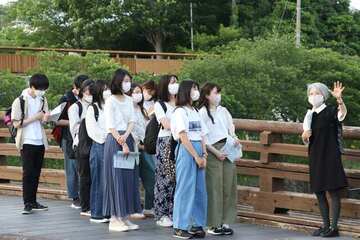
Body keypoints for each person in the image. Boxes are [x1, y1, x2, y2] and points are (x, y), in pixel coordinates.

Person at [302, 82, 348, 238]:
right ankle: (325, 225)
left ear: (323, 95)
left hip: (330, 156)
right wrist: (304, 136)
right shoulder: (309, 115)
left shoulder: (330, 111)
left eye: (317, 93)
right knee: (319, 192)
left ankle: (334, 228)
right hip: (315, 156)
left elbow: (342, 114)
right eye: (311, 94)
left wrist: (339, 100)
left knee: (333, 191)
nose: (313, 96)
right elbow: (307, 137)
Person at [103, 69, 142, 232]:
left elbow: (132, 120)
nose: (128, 83)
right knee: (115, 178)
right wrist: (122, 140)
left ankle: (125, 216)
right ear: (118, 81)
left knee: (128, 178)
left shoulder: (128, 99)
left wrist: (126, 137)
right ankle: (114, 218)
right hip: (114, 140)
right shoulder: (110, 100)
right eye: (125, 80)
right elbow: (110, 125)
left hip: (127, 137)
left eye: (129, 80)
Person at [199, 82, 238, 236]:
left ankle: (225, 220)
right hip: (213, 149)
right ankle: (213, 223)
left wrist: (234, 138)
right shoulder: (202, 112)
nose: (218, 95)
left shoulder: (223, 111)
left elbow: (231, 128)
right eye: (215, 93)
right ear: (207, 95)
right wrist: (215, 152)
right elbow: (204, 136)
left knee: (228, 185)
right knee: (214, 187)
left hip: (227, 148)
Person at [171, 80, 208, 239]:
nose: (196, 91)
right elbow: (183, 136)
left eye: (197, 88)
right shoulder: (179, 111)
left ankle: (196, 223)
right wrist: (196, 156)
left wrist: (204, 154)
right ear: (186, 91)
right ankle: (180, 226)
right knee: (185, 188)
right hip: (187, 151)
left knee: (200, 190)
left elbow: (202, 134)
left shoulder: (196, 111)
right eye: (193, 88)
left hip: (199, 150)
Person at [11, 74, 50, 214]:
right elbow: (16, 123)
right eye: (40, 89)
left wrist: (45, 118)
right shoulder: (20, 100)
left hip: (39, 140)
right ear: (32, 87)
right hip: (26, 141)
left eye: (44, 89)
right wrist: (36, 117)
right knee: (28, 173)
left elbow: (44, 117)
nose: (42, 91)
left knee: (36, 173)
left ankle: (33, 201)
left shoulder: (43, 99)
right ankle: (27, 203)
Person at [55, 74, 88, 209]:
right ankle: (75, 197)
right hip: (69, 138)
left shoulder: (87, 100)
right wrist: (74, 121)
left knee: (82, 167)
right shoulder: (66, 99)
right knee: (72, 168)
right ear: (75, 88)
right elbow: (56, 120)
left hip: (83, 137)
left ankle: (84, 195)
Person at [128, 83, 155, 218]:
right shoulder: (126, 110)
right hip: (132, 147)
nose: (138, 94)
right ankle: (133, 207)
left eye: (139, 92)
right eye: (134, 92)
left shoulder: (143, 110)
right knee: (132, 179)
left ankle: (149, 206)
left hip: (146, 148)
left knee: (151, 176)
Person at [154, 75, 178, 227]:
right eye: (172, 82)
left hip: (180, 141)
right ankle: (161, 213)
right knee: (165, 178)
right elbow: (165, 123)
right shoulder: (160, 105)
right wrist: (181, 126)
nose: (175, 85)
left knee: (177, 178)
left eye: (176, 82)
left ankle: (175, 211)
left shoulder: (181, 103)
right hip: (166, 142)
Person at [68, 79, 95, 216]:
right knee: (85, 176)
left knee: (95, 175)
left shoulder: (98, 105)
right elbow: (74, 128)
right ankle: (85, 206)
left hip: (96, 143)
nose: (89, 94)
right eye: (87, 91)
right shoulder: (75, 107)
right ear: (82, 92)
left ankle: (94, 203)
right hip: (82, 144)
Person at [85, 80, 111, 223]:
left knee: (109, 180)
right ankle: (97, 213)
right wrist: (106, 138)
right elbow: (92, 131)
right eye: (105, 88)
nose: (108, 91)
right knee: (99, 180)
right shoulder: (92, 108)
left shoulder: (110, 106)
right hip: (99, 146)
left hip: (112, 145)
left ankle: (108, 211)